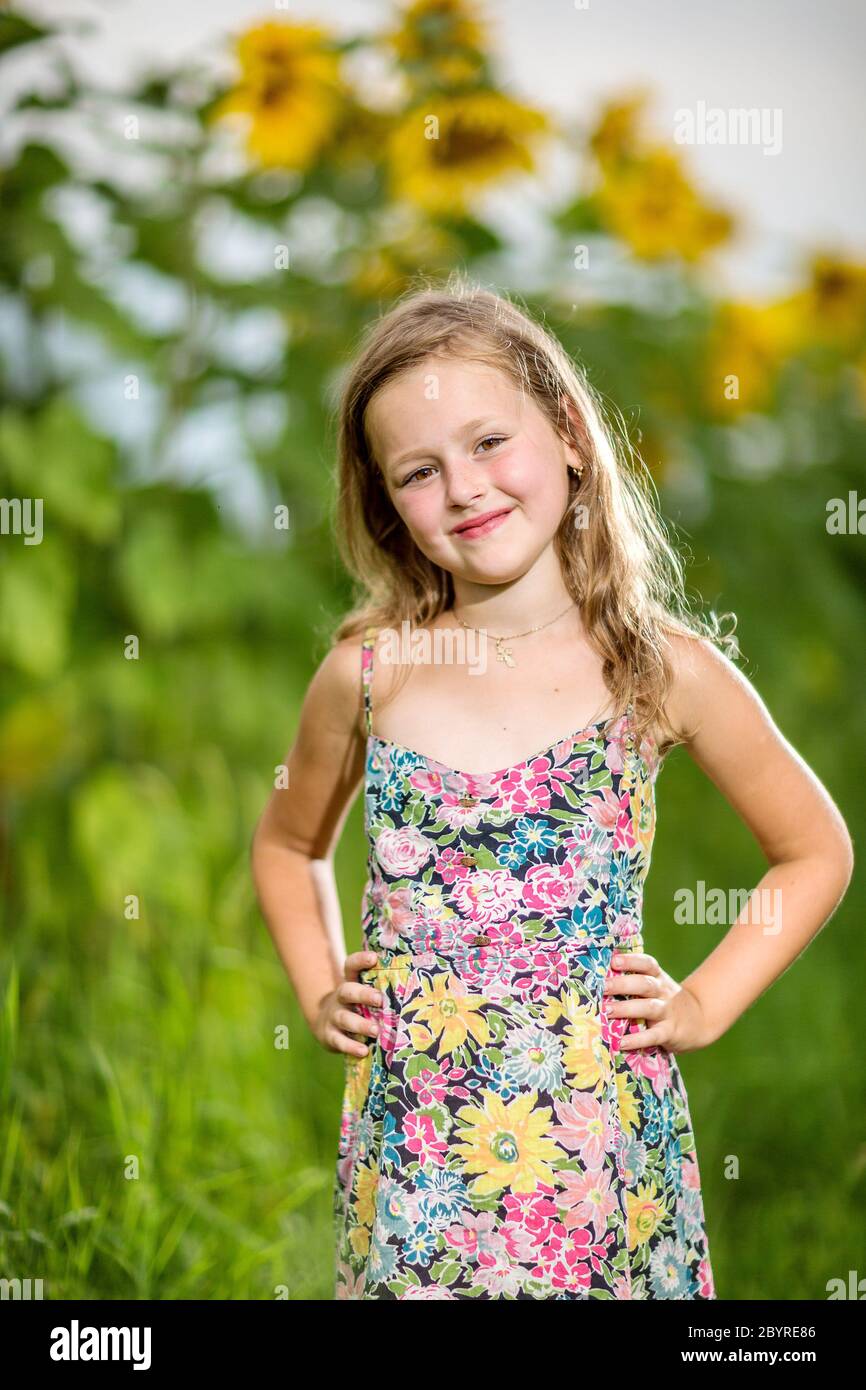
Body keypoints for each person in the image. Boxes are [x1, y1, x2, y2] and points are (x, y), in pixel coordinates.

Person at [250, 274, 854, 1300]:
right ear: (387, 504)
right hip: (416, 1149)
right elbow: (286, 842)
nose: (464, 488)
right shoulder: (368, 673)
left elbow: (812, 848)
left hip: (594, 1144)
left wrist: (703, 1000)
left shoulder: (657, 671)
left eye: (490, 442)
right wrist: (317, 988)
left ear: (569, 432)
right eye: (419, 471)